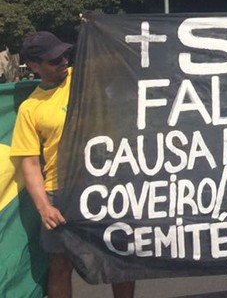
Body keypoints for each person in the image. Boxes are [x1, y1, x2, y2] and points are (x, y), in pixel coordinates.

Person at [10, 31, 136, 297]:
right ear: (34, 65)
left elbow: (122, 59)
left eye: (64, 54)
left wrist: (96, 28)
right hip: (60, 193)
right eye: (54, 60)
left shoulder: (82, 78)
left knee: (119, 259)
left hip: (106, 184)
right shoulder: (30, 108)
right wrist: (44, 207)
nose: (64, 61)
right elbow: (29, 163)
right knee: (60, 266)